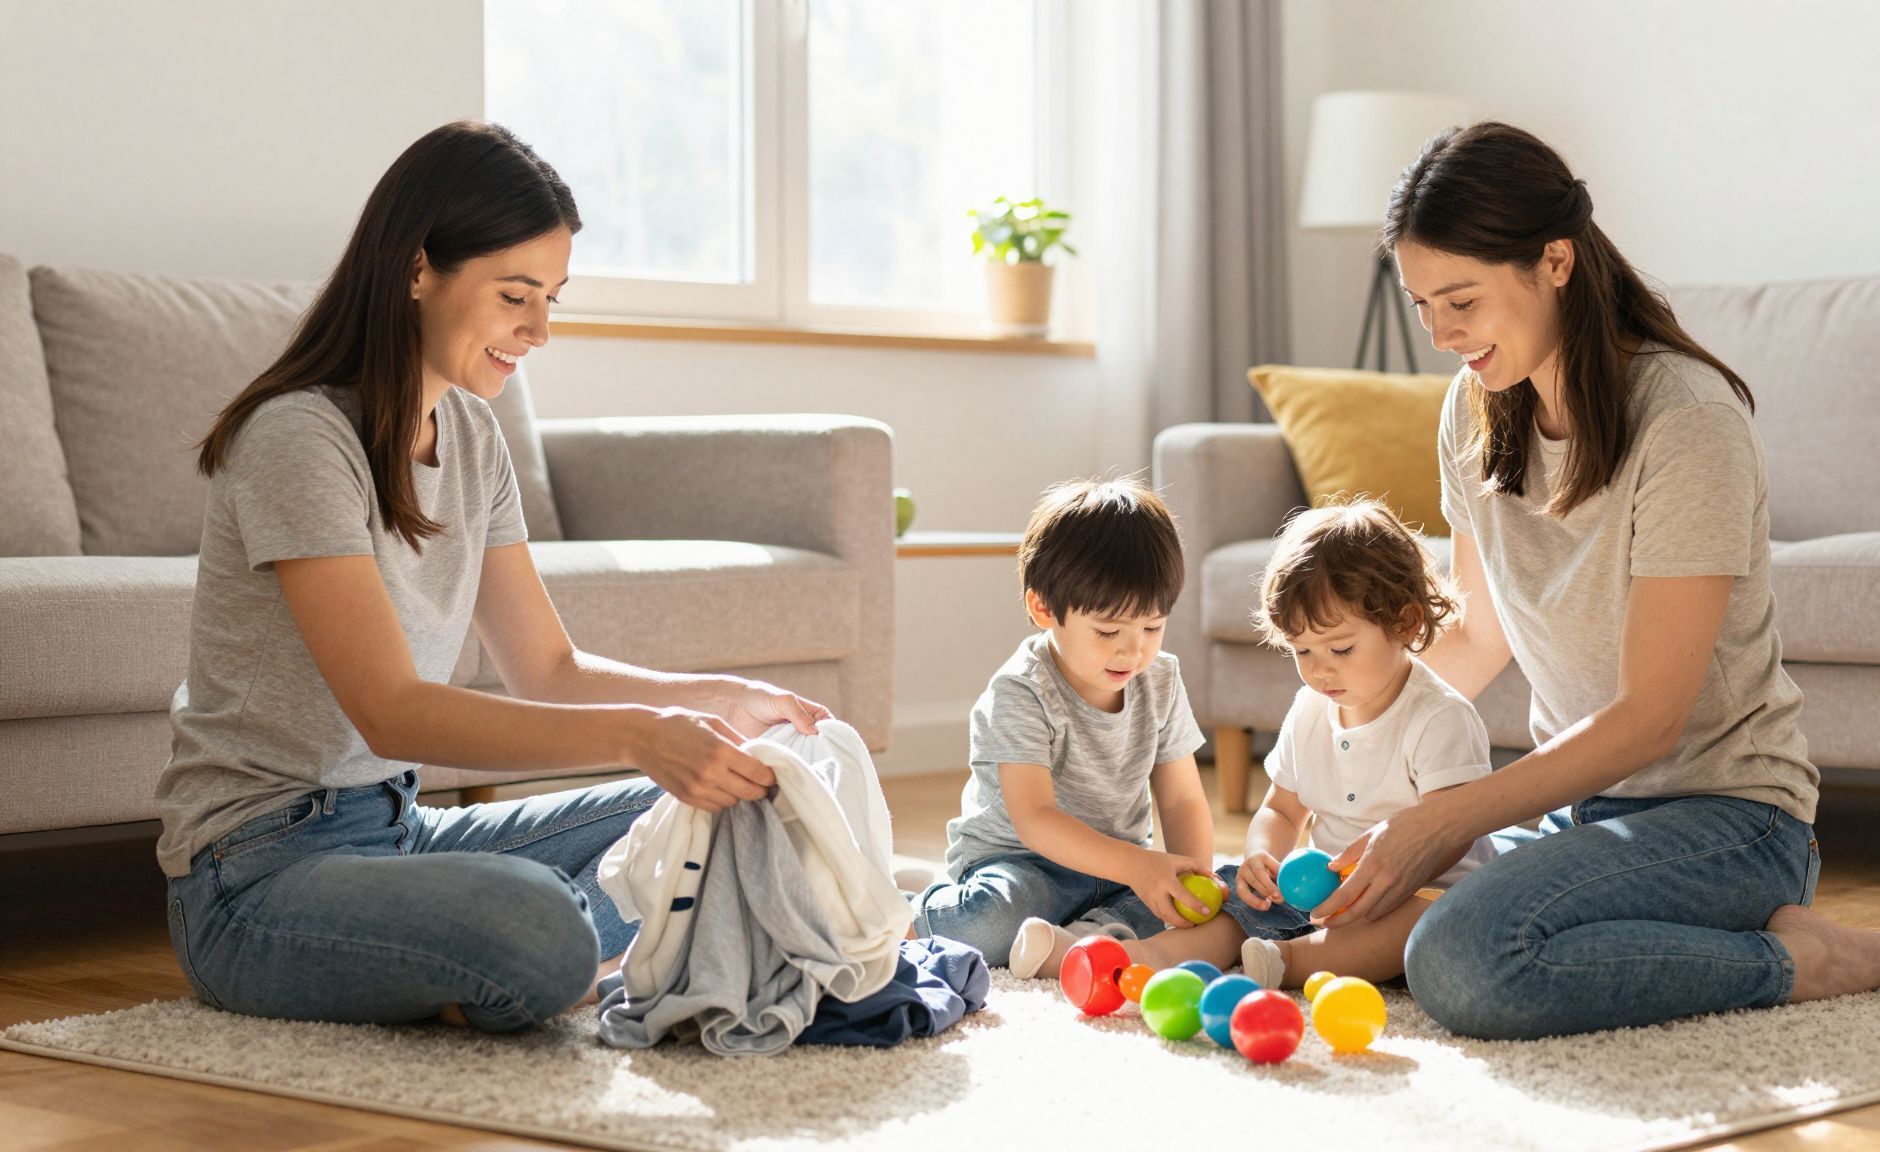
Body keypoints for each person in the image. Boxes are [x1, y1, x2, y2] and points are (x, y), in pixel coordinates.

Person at [156, 121, 828, 1033]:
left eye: (550, 299)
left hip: (401, 831)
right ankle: (570, 955)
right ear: (417, 268)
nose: (539, 330)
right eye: (516, 295)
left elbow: (547, 668)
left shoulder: (472, 436)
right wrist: (642, 734)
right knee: (540, 928)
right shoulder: (298, 439)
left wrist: (718, 703)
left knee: (735, 800)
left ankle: (523, 961)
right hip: (256, 876)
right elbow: (391, 712)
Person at [1316, 121, 1880, 1040]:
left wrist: (1443, 822)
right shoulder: (1473, 410)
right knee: (1332, 906)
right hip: (1578, 815)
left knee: (1462, 959)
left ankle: (1802, 961)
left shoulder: (1687, 421)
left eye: (1462, 301)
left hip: (1730, 822)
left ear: (1555, 261)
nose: (1441, 335)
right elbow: (1478, 636)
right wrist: (1344, 742)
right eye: (1422, 306)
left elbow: (1651, 718)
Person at [1115, 497, 1495, 989]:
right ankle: (1145, 955)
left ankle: (1291, 962)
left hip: (1418, 890)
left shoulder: (1440, 717)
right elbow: (1281, 810)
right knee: (1233, 893)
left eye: (1340, 648)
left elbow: (1450, 831)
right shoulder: (1310, 708)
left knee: (1420, 921)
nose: (1319, 670)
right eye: (1302, 651)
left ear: (1405, 623)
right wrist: (1261, 857)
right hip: (1323, 896)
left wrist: (1380, 879)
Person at [909, 478, 1216, 974]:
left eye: (1152, 627)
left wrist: (1192, 883)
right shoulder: (1020, 692)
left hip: (1118, 869)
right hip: (1023, 866)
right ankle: (914, 908)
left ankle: (1076, 941)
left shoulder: (1161, 679)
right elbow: (1036, 819)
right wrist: (1139, 867)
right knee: (991, 927)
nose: (1133, 650)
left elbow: (1181, 799)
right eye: (1108, 631)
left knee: (1205, 911)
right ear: (1044, 609)